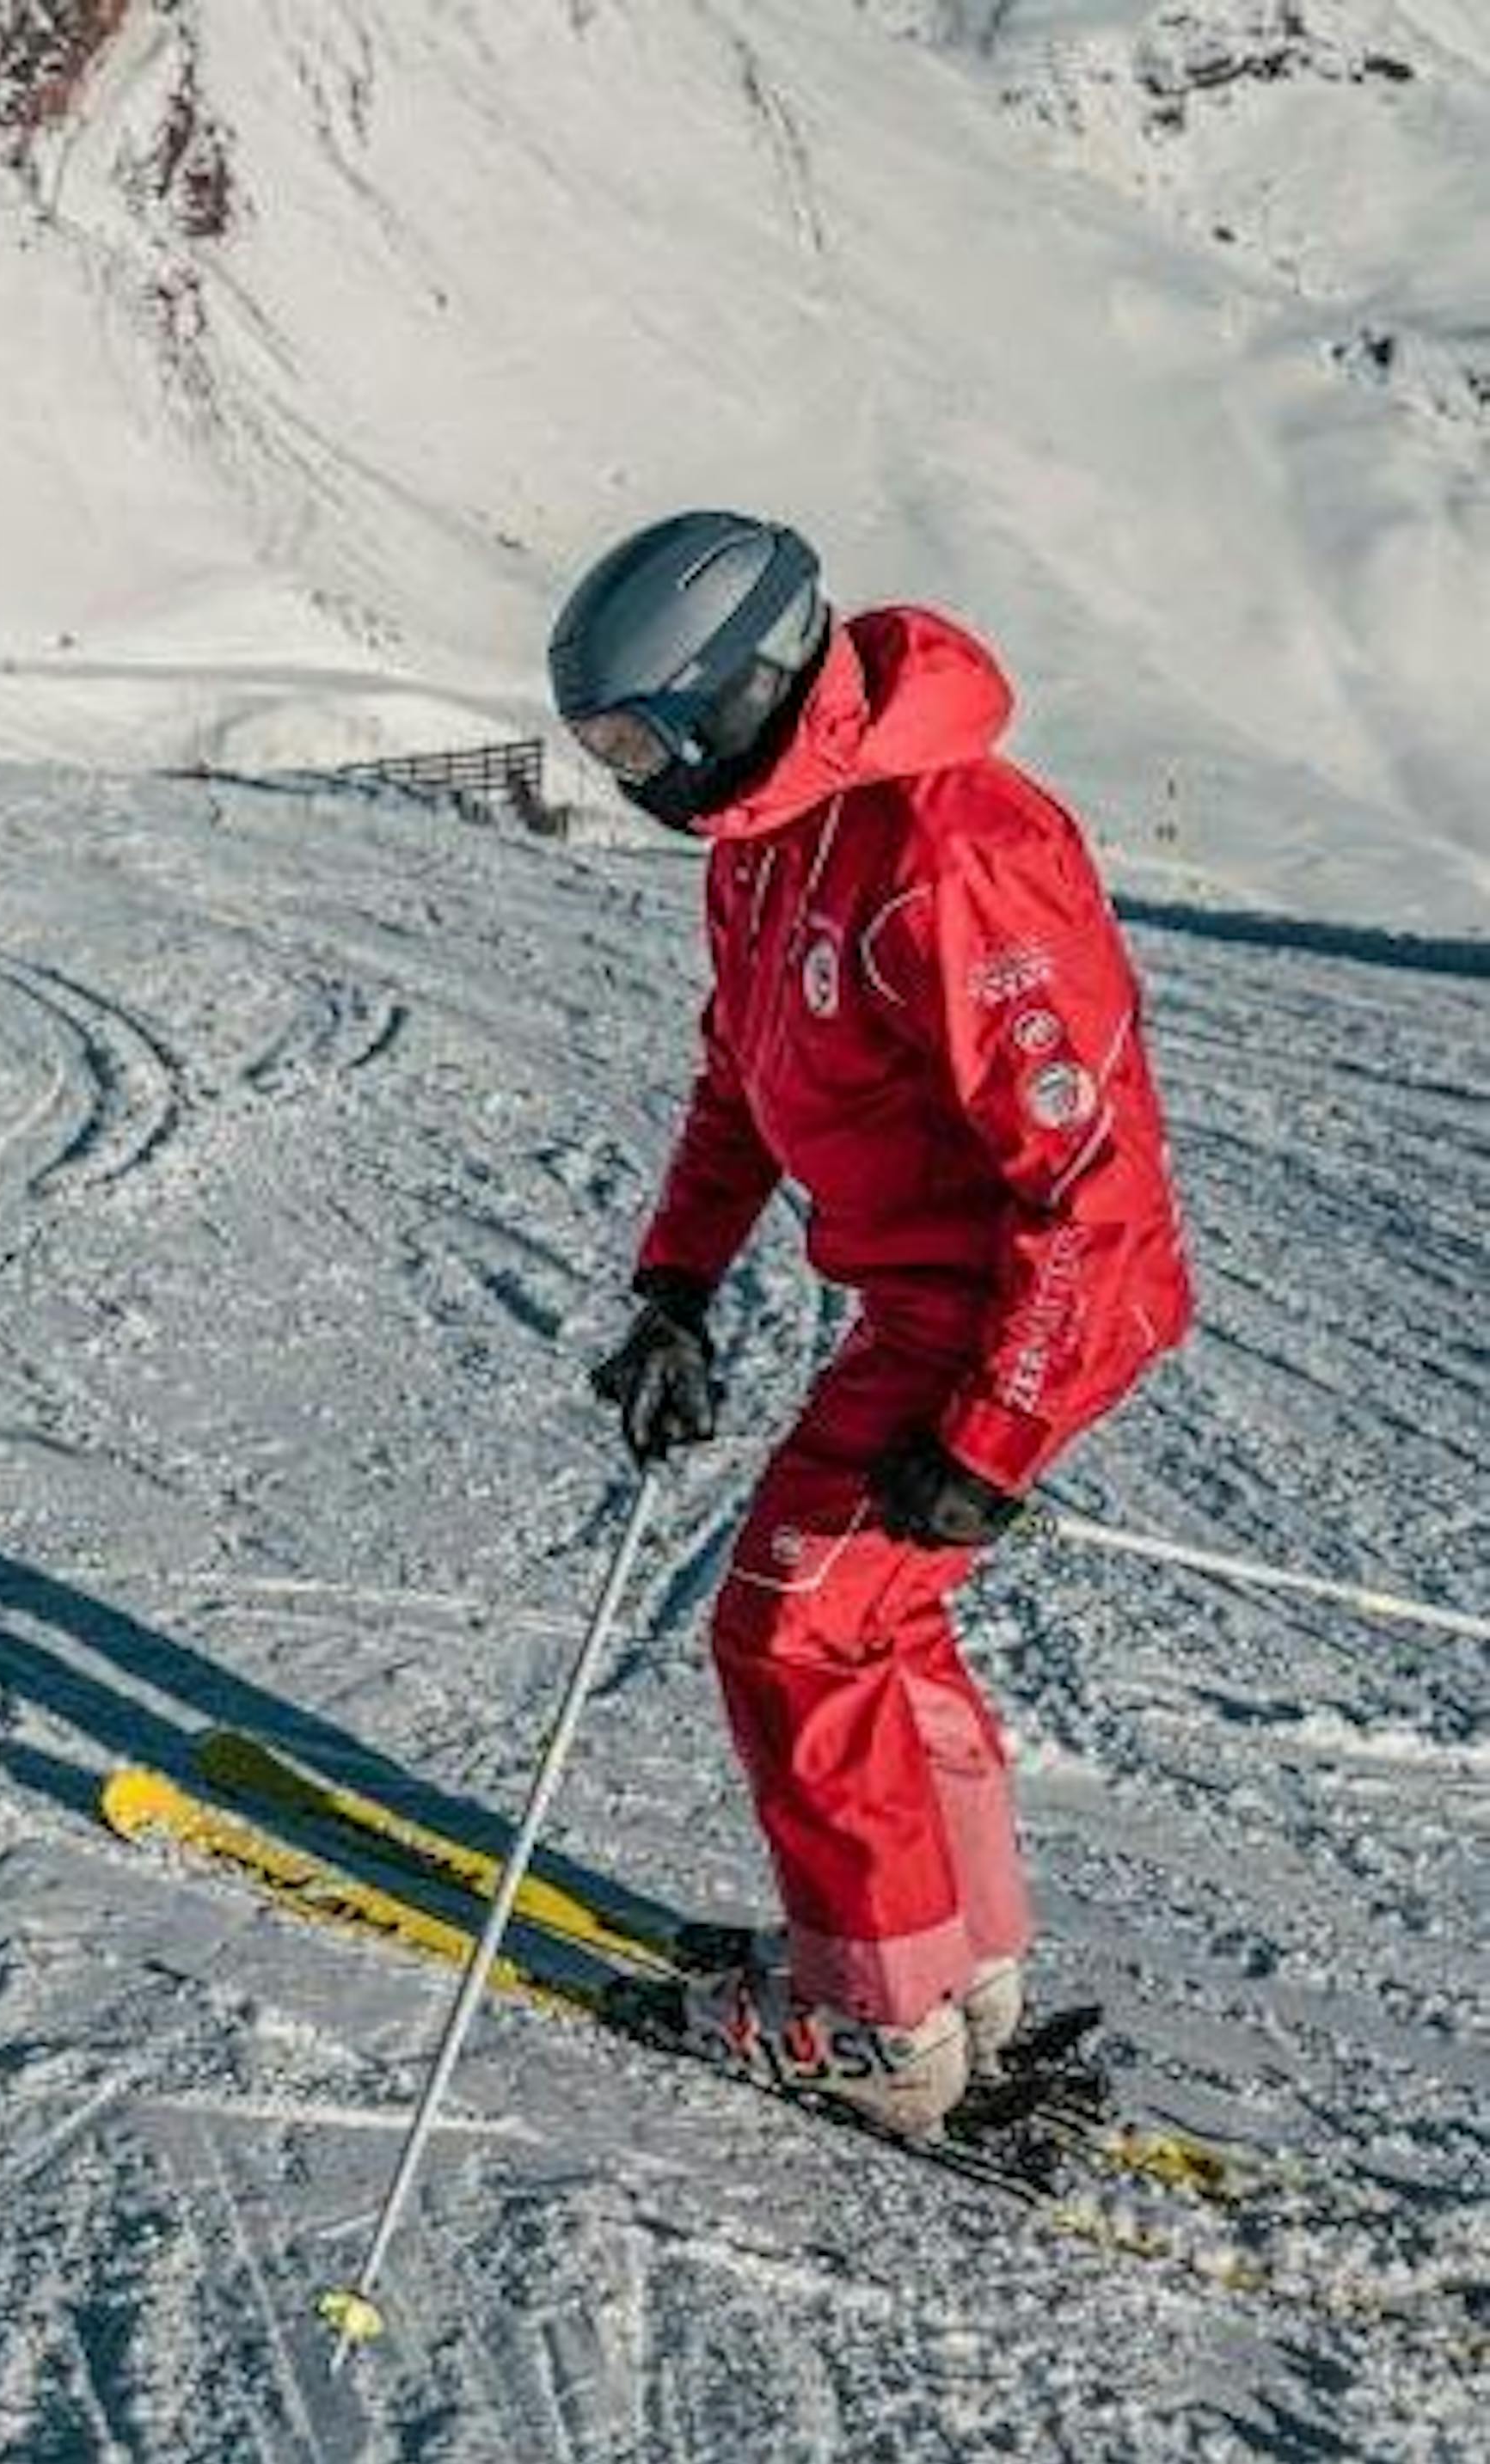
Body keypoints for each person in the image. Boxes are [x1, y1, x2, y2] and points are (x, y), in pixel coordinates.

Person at [552, 512, 1191, 2137]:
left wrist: (990, 1434)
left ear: (735, 692)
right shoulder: (767, 836)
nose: (629, 777)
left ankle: (876, 2021)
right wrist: (676, 1287)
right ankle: (947, 1966)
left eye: (638, 740)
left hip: (1018, 1306)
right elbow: (740, 1084)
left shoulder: (955, 851)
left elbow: (1095, 1194)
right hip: (928, 1297)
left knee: (791, 1626)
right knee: (874, 1623)